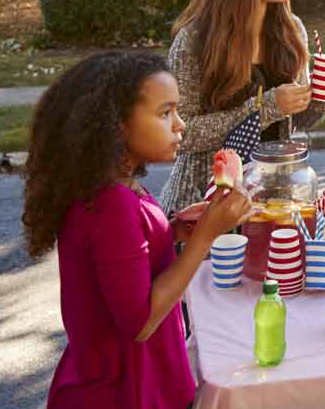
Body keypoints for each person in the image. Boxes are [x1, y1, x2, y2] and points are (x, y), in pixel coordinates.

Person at [23, 52, 253, 409]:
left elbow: (125, 260)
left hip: (136, 384)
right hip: (123, 393)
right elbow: (140, 321)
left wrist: (174, 231)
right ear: (116, 124)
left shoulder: (117, 186)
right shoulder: (110, 203)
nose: (180, 125)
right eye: (165, 113)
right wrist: (207, 235)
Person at [159, 0, 325, 216]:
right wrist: (265, 107)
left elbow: (296, 122)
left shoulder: (291, 31)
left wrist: (321, 98)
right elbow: (183, 134)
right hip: (202, 207)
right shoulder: (193, 41)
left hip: (271, 204)